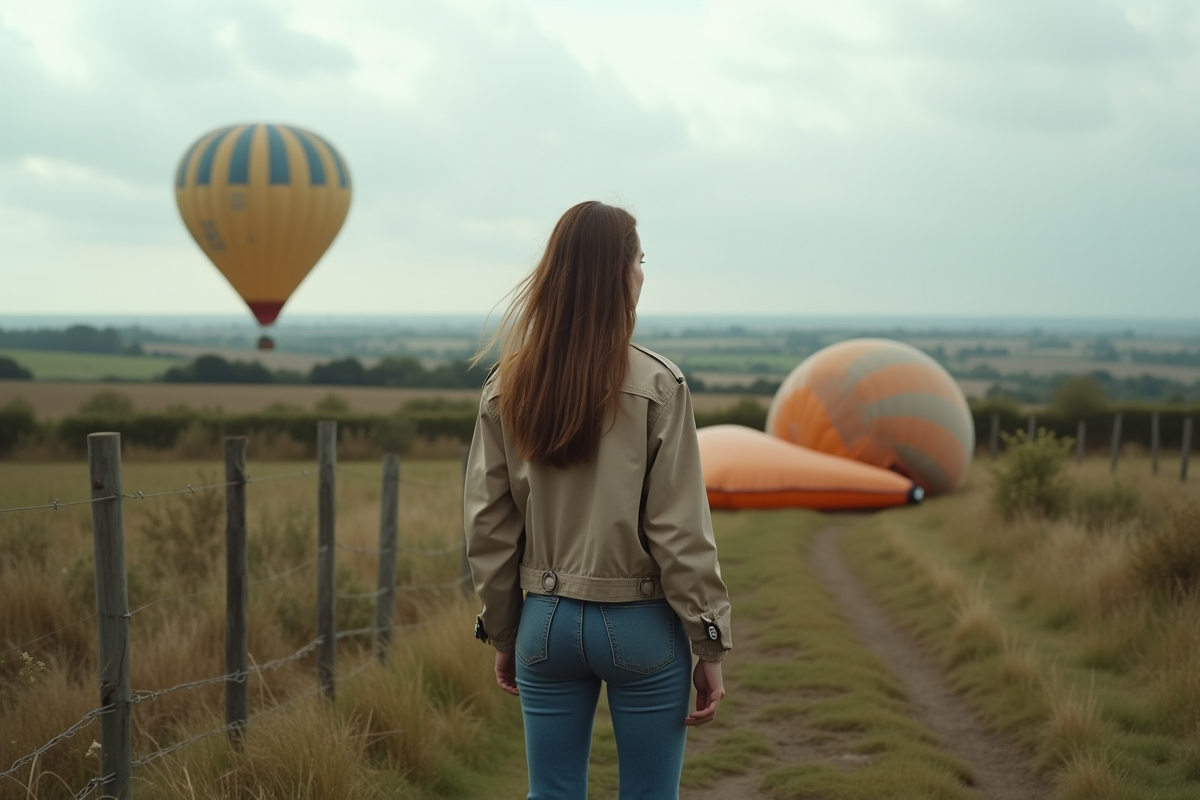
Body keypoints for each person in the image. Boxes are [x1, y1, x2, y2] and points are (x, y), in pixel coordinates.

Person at [464, 200, 733, 800]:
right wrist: (708, 641)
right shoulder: (660, 384)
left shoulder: (505, 385)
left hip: (545, 622)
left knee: (551, 794)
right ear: (620, 275)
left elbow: (489, 527)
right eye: (640, 260)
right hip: (642, 623)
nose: (643, 273)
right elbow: (679, 531)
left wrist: (505, 632)